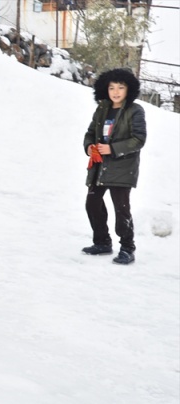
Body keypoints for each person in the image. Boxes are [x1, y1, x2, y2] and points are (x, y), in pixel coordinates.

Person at [82, 68, 146, 265]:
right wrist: (89, 147)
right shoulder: (102, 109)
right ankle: (102, 242)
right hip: (99, 167)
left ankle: (127, 248)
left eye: (121, 87)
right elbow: (90, 133)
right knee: (92, 204)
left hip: (122, 167)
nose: (116, 92)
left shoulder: (135, 110)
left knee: (121, 208)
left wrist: (112, 149)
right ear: (105, 89)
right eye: (111, 87)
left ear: (129, 90)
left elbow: (138, 139)